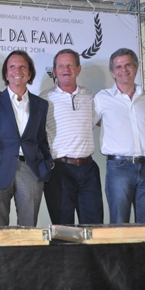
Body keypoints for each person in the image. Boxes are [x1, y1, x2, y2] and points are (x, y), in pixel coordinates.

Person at [0, 51, 53, 226]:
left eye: (22, 66)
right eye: (12, 66)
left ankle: (26, 255)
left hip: (31, 171)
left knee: (28, 230)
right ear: (5, 73)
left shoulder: (40, 104)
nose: (17, 70)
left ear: (29, 73)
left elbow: (41, 139)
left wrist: (48, 162)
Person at [94, 48, 145, 224]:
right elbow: (90, 122)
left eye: (127, 65)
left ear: (136, 68)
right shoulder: (102, 98)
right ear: (112, 73)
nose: (123, 70)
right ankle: (120, 253)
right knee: (119, 223)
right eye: (118, 67)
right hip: (119, 168)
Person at [40, 49, 103, 225]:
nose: (65, 69)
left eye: (70, 65)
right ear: (54, 71)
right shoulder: (44, 98)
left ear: (78, 69)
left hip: (88, 169)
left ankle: (90, 255)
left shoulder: (90, 95)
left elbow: (108, 123)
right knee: (63, 229)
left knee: (93, 228)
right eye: (61, 65)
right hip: (59, 171)